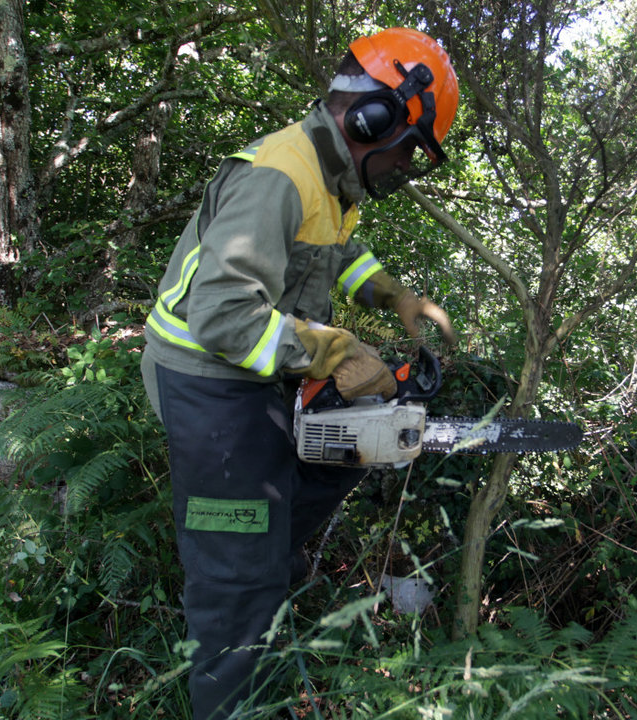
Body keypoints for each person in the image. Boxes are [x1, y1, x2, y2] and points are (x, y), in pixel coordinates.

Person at [139, 28, 460, 720]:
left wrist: (392, 295)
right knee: (236, 582)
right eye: (408, 148)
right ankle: (231, 675)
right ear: (374, 116)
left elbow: (334, 254)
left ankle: (259, 587)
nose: (405, 165)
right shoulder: (281, 173)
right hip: (206, 384)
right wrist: (337, 354)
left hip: (253, 375)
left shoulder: (328, 176)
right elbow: (222, 317)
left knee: (323, 475)